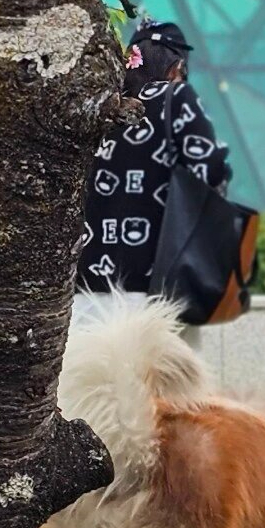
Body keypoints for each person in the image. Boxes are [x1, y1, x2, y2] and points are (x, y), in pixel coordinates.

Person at [75, 20, 231, 344]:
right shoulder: (176, 97)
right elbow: (211, 170)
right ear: (176, 68)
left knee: (92, 391)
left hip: (84, 289)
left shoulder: (97, 106)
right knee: (157, 393)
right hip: (154, 287)